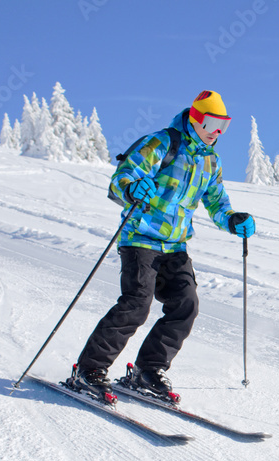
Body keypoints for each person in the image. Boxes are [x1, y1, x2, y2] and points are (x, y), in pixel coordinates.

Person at [69, 90, 255, 403]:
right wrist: (131, 189)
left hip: (176, 245)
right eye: (211, 122)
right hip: (141, 238)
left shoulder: (211, 161)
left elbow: (216, 201)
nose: (217, 131)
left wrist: (232, 219)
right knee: (137, 303)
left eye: (224, 124)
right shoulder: (162, 143)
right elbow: (122, 177)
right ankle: (89, 369)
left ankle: (148, 369)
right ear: (195, 118)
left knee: (186, 304)